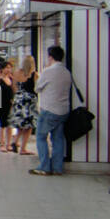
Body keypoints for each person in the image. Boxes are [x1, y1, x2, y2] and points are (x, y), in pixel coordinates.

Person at [30, 46, 72, 176]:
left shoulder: (48, 72)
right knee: (58, 139)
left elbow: (37, 88)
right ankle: (58, 168)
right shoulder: (66, 72)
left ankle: (44, 167)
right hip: (63, 110)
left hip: (49, 110)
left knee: (41, 137)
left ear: (50, 57)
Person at [9, 55, 38, 155]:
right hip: (29, 101)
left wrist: (18, 95)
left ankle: (15, 141)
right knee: (29, 126)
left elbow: (13, 86)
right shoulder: (34, 75)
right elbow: (37, 88)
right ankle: (23, 148)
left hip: (19, 99)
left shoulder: (17, 73)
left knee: (20, 124)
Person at [0, 60, 15, 151]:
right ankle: (2, 144)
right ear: (2, 69)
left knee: (9, 124)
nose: (9, 70)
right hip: (1, 103)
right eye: (7, 68)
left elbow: (13, 90)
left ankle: (9, 144)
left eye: (10, 68)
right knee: (2, 124)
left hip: (10, 103)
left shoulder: (11, 79)